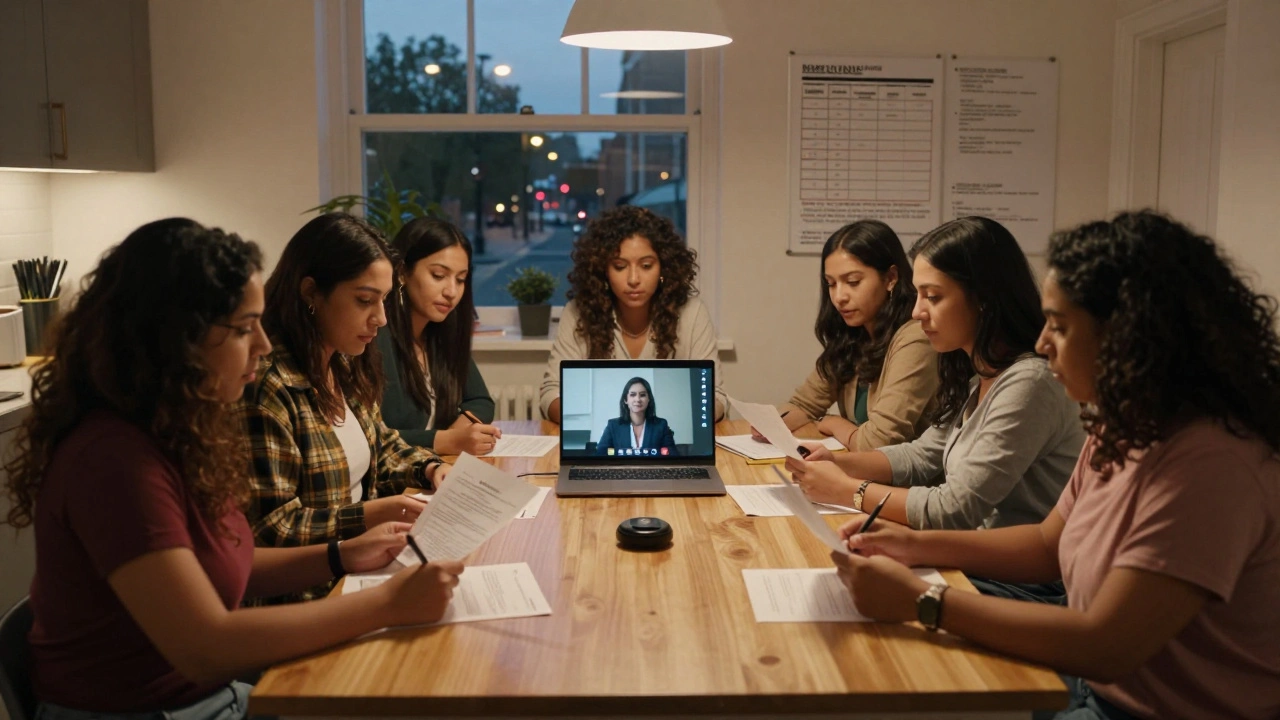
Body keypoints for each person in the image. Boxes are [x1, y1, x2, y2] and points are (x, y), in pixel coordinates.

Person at [2, 219, 461, 720]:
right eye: (244, 329)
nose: (263, 345)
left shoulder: (179, 433)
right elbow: (204, 648)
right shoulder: (115, 462)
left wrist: (343, 554)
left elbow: (234, 559)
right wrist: (388, 603)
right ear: (177, 338)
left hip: (205, 698)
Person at [833, 211, 1280, 720]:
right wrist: (914, 545)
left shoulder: (1212, 465)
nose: (1043, 344)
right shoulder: (1123, 426)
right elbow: (1048, 545)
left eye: (1061, 327)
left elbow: (1106, 646)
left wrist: (925, 600)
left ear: (1131, 338)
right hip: (1096, 685)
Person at [787, 217, 1084, 537]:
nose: (917, 312)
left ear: (983, 298)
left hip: (1013, 575)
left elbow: (955, 509)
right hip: (969, 550)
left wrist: (847, 489)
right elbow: (921, 455)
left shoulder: (1029, 382)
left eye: (933, 296)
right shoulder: (978, 375)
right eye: (917, 295)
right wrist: (838, 464)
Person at [241, 213, 450, 603]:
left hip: (358, 571)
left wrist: (430, 468)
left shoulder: (342, 361)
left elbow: (383, 445)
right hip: (309, 596)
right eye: (365, 300)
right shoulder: (269, 386)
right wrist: (371, 515)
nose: (382, 319)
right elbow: (272, 529)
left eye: (385, 300)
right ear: (310, 293)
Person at [762, 219, 938, 450]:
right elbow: (804, 404)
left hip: (907, 483)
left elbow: (879, 441)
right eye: (831, 284)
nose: (839, 297)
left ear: (890, 278)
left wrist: (835, 423)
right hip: (863, 473)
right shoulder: (854, 333)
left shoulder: (916, 337)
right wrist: (772, 424)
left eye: (853, 282)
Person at [541, 206, 726, 423]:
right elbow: (551, 393)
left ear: (664, 268)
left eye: (646, 266)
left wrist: (672, 419)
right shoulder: (579, 313)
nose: (634, 279)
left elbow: (716, 398)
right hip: (604, 446)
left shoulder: (691, 313)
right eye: (620, 266)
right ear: (603, 271)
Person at [379, 217, 501, 455]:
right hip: (392, 482)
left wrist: (461, 430)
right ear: (402, 272)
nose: (451, 292)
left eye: (460, 279)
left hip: (432, 470)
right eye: (438, 275)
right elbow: (371, 435)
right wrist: (448, 440)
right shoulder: (375, 335)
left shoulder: (441, 333)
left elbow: (481, 401)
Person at [594, 377, 678, 455]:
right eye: (633, 395)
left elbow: (672, 455)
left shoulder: (661, 425)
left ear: (649, 399)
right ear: (625, 400)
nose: (637, 399)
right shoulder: (613, 425)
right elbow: (600, 455)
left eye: (642, 395)